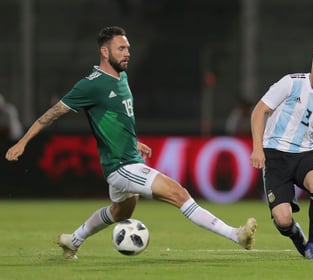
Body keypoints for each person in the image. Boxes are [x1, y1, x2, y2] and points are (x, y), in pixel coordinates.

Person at [5, 26, 257, 259]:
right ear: (104, 51)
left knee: (120, 213)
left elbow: (116, 117)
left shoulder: (122, 77)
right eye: (121, 49)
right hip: (121, 166)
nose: (127, 53)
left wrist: (133, 141)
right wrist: (23, 142)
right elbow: (52, 113)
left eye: (128, 48)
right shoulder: (90, 86)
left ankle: (73, 240)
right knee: (179, 193)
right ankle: (237, 235)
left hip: (127, 159)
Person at [249, 41, 313, 260]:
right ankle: (297, 236)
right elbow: (259, 111)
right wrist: (258, 148)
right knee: (283, 220)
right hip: (274, 154)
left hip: (303, 154)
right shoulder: (290, 83)